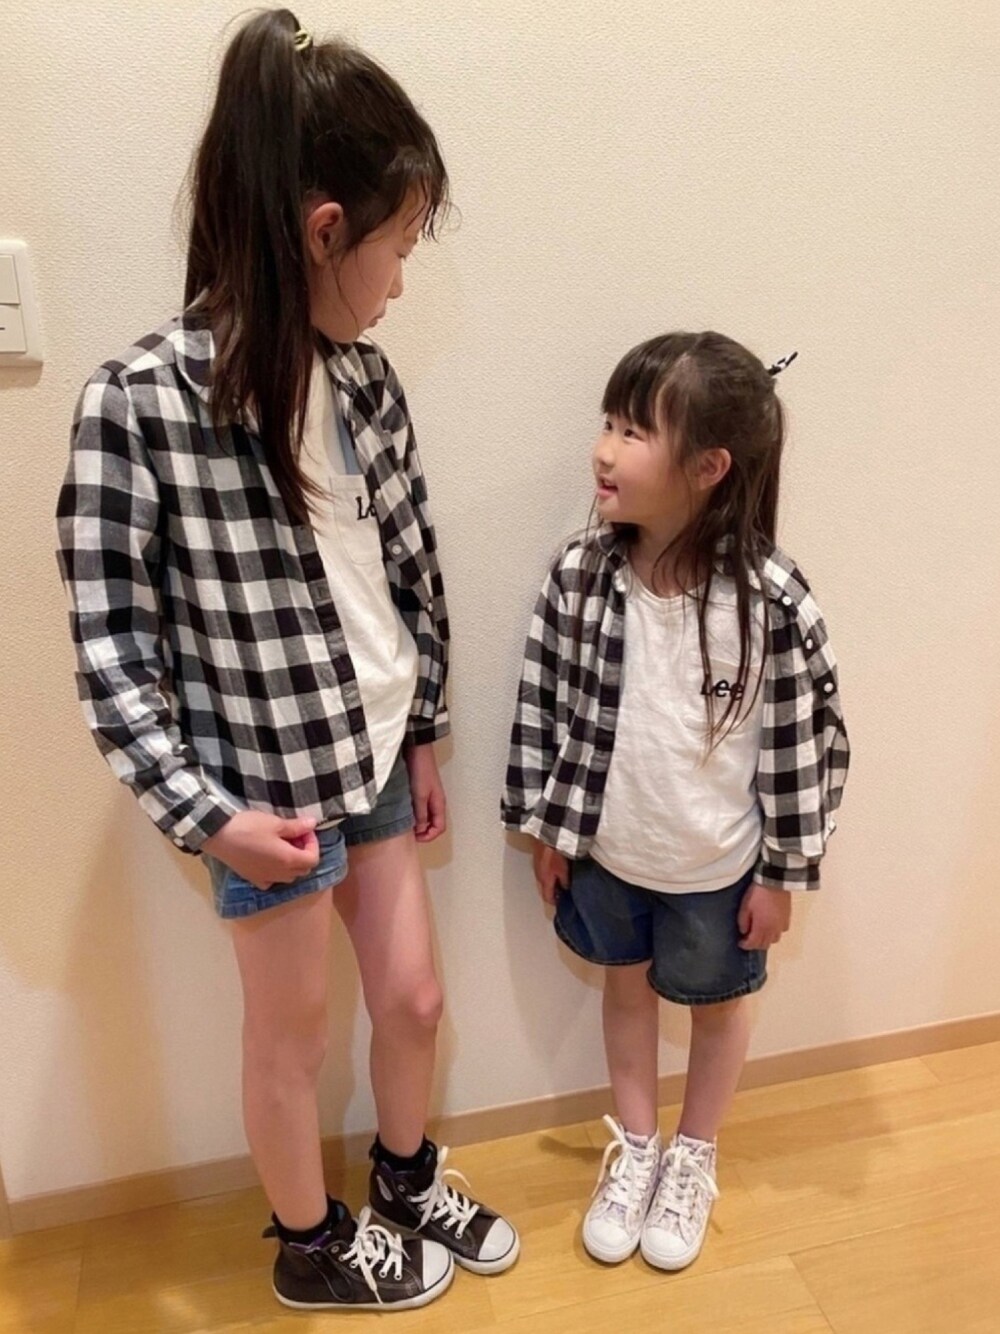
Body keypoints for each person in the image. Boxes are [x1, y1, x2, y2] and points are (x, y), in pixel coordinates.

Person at [57, 9, 517, 1313]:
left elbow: (411, 570)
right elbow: (110, 649)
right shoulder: (139, 404)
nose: (402, 280)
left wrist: (422, 730)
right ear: (324, 231)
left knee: (412, 996)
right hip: (262, 792)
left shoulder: (366, 385)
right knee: (294, 1033)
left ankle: (405, 1177)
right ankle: (309, 1243)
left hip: (372, 751)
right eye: (398, 247)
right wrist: (207, 816)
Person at [503, 332, 848, 1271]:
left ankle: (693, 1156)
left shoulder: (772, 602)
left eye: (633, 432)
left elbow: (806, 745)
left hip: (718, 867)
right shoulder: (581, 576)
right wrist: (550, 830)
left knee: (716, 1008)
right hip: (610, 852)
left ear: (708, 467)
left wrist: (782, 875)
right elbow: (545, 707)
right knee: (625, 989)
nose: (603, 451)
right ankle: (636, 1149)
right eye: (607, 424)